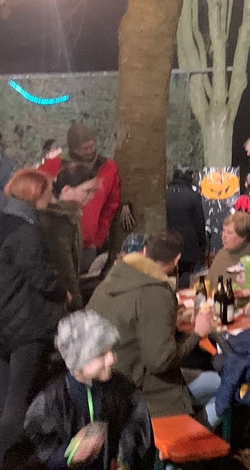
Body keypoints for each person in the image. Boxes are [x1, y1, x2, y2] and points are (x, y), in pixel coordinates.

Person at [86, 231, 221, 425]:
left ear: (144, 251)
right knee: (225, 385)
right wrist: (198, 333)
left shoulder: (115, 279)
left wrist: (170, 323)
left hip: (102, 384)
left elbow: (132, 325)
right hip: (139, 391)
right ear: (177, 260)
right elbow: (160, 361)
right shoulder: (155, 292)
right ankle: (196, 431)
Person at [24, 310, 154, 470]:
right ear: (79, 360)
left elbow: (138, 429)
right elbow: (37, 450)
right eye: (101, 354)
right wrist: (68, 456)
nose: (112, 359)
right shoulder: (51, 401)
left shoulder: (122, 388)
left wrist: (124, 460)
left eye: (111, 350)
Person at [0, 169, 68, 469]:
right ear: (34, 194)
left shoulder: (5, 222)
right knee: (19, 402)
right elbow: (39, 275)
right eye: (47, 191)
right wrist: (63, 291)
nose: (51, 196)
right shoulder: (26, 231)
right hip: (25, 324)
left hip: (4, 320)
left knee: (5, 398)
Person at [40, 123, 122, 269]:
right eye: (85, 148)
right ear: (74, 149)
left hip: (88, 243)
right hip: (57, 241)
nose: (90, 151)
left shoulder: (109, 168)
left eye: (92, 146)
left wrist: (98, 238)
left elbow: (111, 206)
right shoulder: (51, 166)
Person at [41, 161, 98, 310]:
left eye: (94, 191)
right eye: (87, 191)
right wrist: (76, 303)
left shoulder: (71, 215)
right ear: (66, 190)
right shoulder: (56, 221)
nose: (92, 196)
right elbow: (64, 266)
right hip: (58, 299)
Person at [165, 166, 207, 288]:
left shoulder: (165, 194)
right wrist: (202, 246)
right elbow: (199, 223)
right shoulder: (193, 196)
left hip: (167, 239)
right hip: (188, 242)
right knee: (186, 274)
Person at [207, 212, 250, 286]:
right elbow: (208, 283)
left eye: (229, 233)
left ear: (243, 237)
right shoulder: (222, 254)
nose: (223, 236)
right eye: (223, 231)